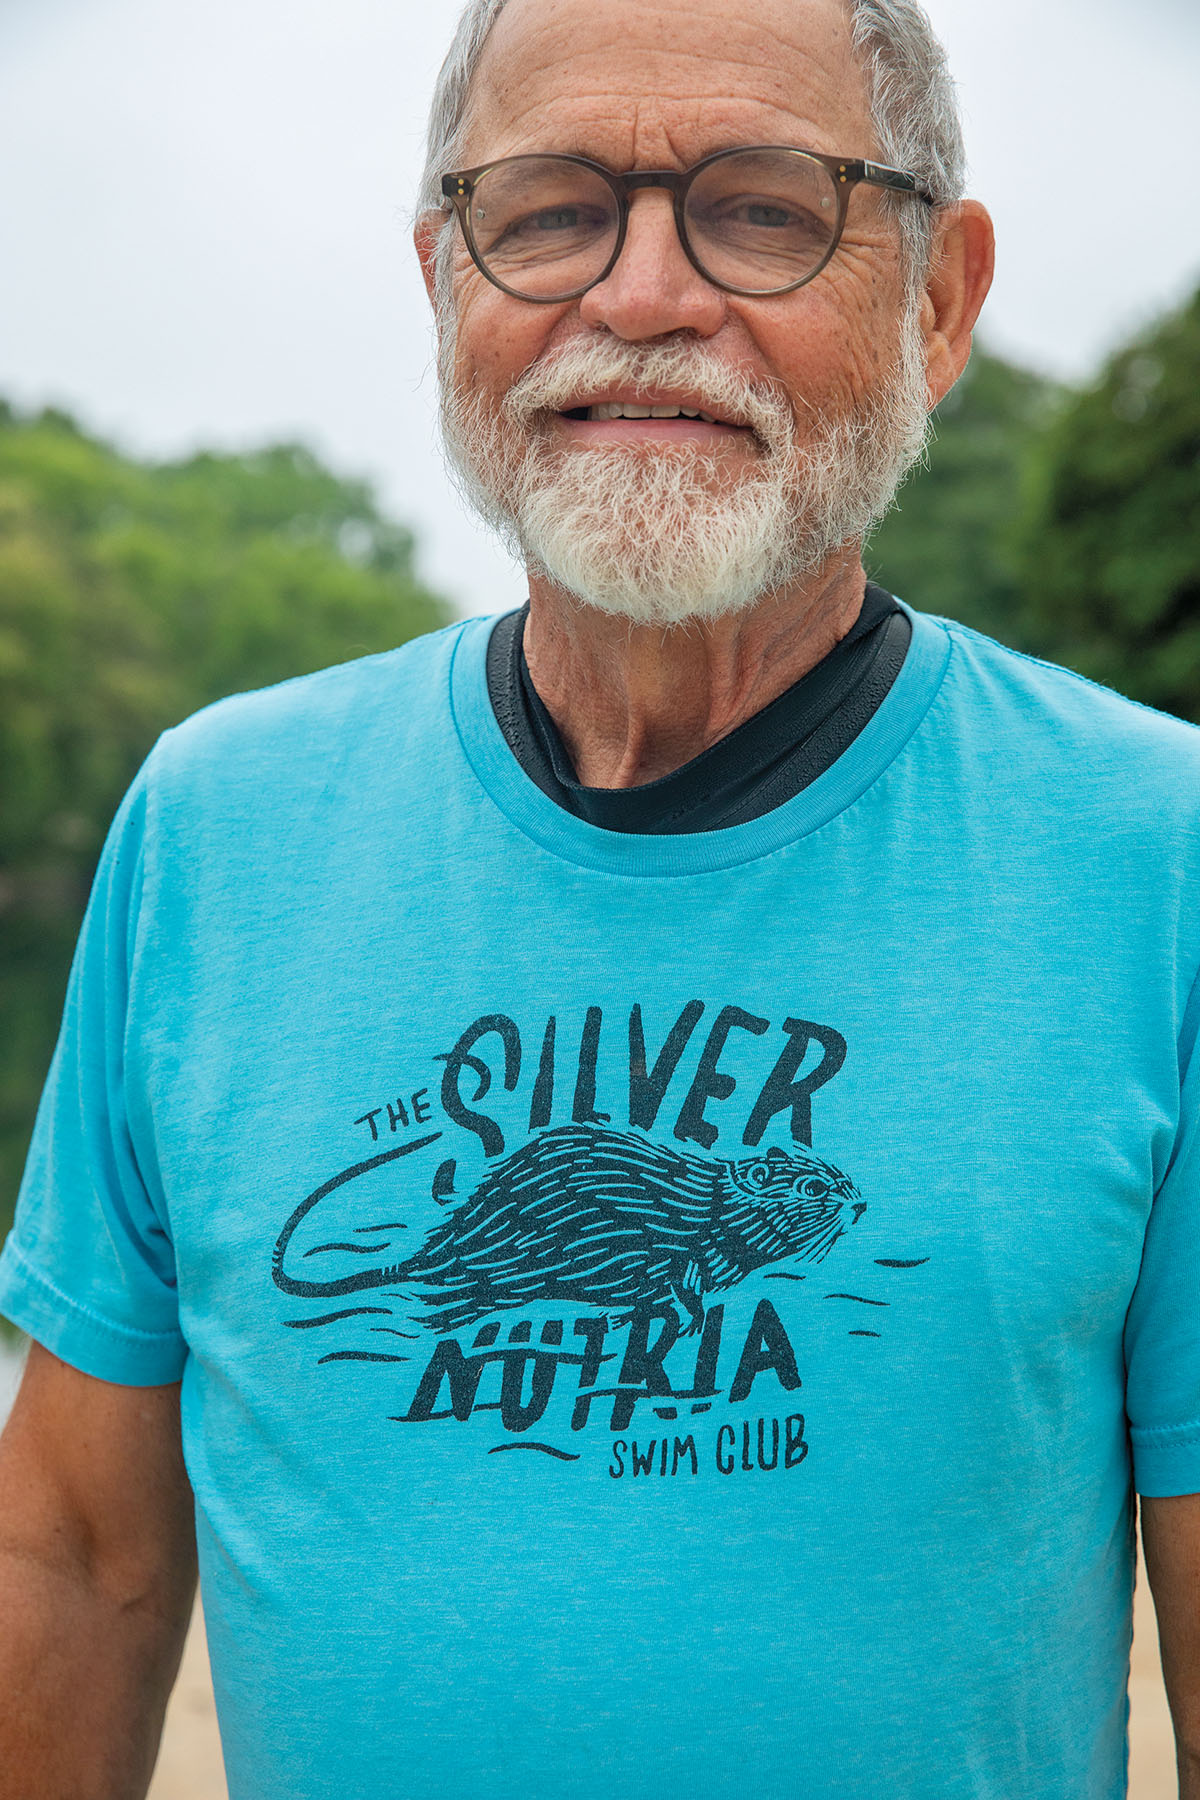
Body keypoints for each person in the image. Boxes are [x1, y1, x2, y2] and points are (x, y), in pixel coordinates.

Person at [1, 0, 1198, 1793]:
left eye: (764, 205)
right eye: (551, 208)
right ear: (441, 282)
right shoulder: (213, 827)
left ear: (938, 301)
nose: (639, 294)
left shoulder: (1155, 856)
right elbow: (79, 1553)